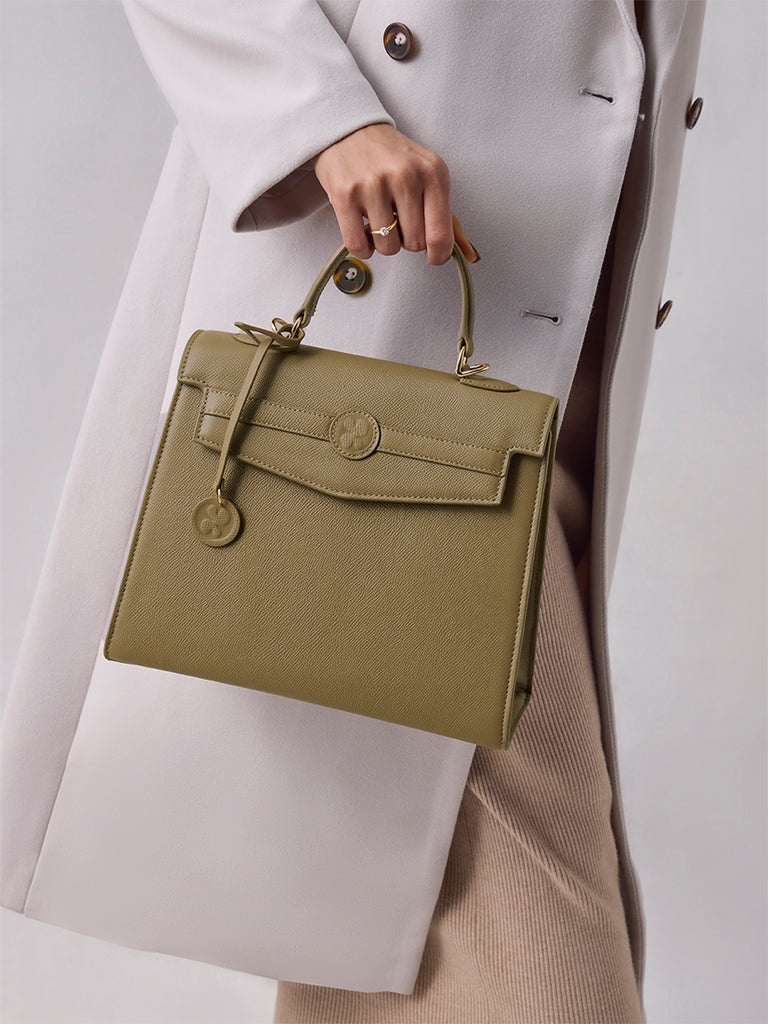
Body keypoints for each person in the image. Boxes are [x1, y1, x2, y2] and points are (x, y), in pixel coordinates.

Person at [0, 2, 707, 1021]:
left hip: (566, 308)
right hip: (393, 284)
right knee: (514, 905)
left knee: (383, 908)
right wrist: (319, 115)